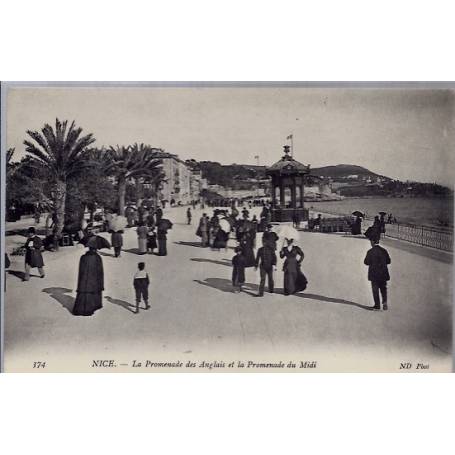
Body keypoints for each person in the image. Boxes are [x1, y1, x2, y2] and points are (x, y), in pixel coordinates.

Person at [72, 237, 104, 316]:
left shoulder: (83, 257)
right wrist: (101, 283)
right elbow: (100, 272)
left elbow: (80, 270)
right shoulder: (97, 258)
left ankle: (80, 310)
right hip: (93, 281)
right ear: (96, 249)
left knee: (83, 292)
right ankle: (92, 307)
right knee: (92, 292)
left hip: (83, 280)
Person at [364, 239, 391, 310]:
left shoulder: (370, 252)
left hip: (374, 274)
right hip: (383, 273)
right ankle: (385, 302)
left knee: (375, 290)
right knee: (383, 288)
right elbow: (388, 261)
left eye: (371, 242)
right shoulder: (384, 250)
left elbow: (366, 262)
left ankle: (377, 305)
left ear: (373, 242)